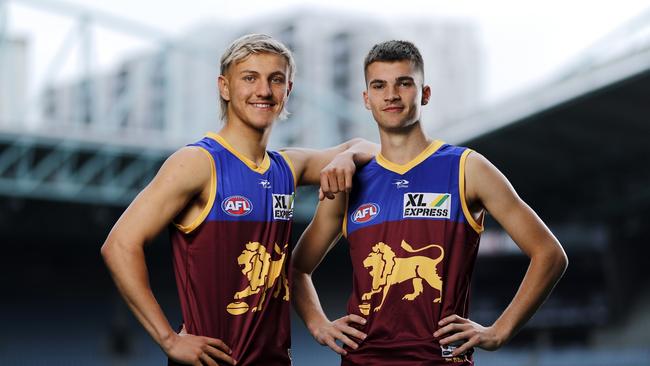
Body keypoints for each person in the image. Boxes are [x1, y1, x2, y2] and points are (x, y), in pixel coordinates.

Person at [101, 33, 377, 366]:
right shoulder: (199, 162)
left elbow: (368, 147)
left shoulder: (287, 167)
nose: (263, 90)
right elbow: (118, 245)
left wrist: (347, 159)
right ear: (225, 87)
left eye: (276, 80)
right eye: (250, 78)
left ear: (287, 91)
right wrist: (169, 340)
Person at [291, 40, 568, 365]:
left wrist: (499, 331)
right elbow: (296, 268)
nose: (391, 95)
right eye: (379, 85)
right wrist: (318, 323)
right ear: (367, 99)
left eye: (404, 83)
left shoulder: (467, 168)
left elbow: (549, 254)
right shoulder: (350, 180)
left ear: (425, 94)